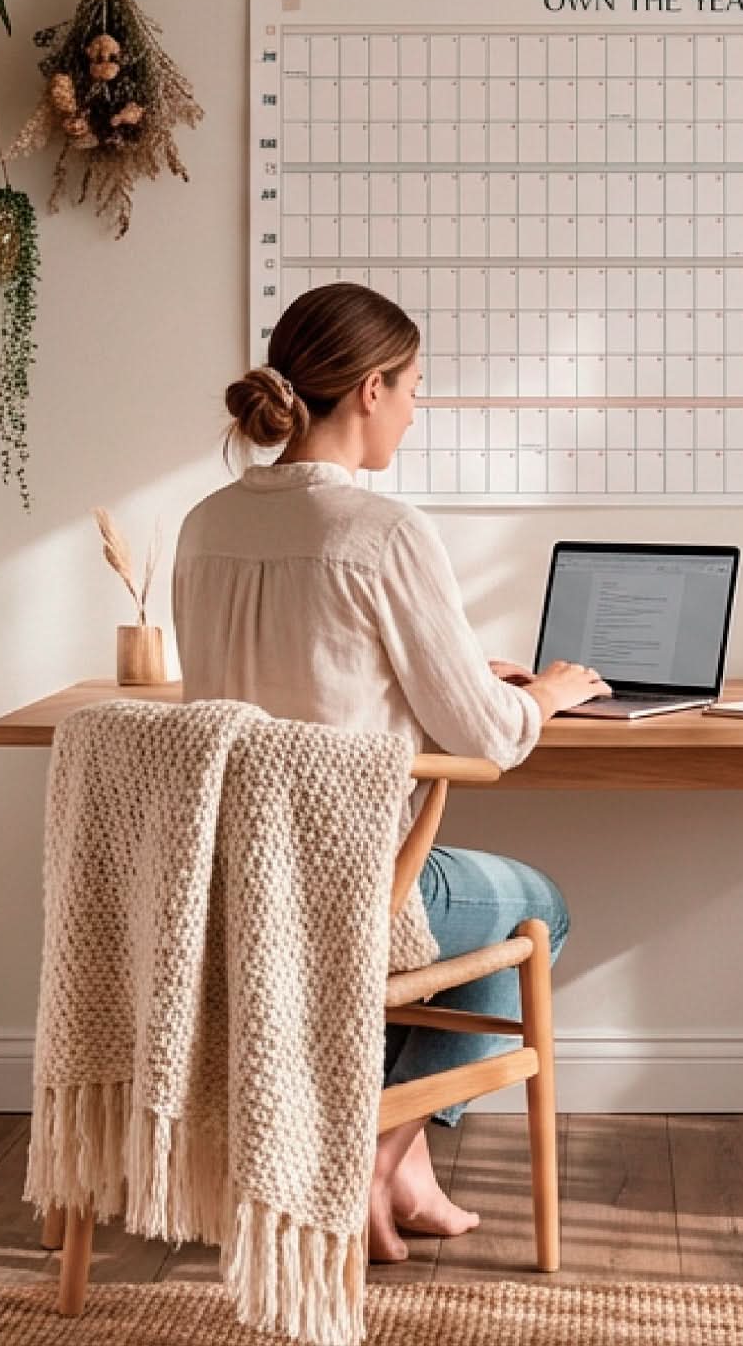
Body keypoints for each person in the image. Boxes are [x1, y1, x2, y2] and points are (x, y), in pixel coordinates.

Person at [172, 281, 608, 1265]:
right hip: (349, 886)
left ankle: (404, 1167)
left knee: (501, 903)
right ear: (369, 387)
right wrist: (542, 692)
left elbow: (299, 684)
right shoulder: (380, 529)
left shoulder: (204, 523)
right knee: (539, 904)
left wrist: (456, 669)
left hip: (230, 882)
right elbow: (489, 736)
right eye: (413, 387)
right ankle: (376, 1147)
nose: (415, 409)